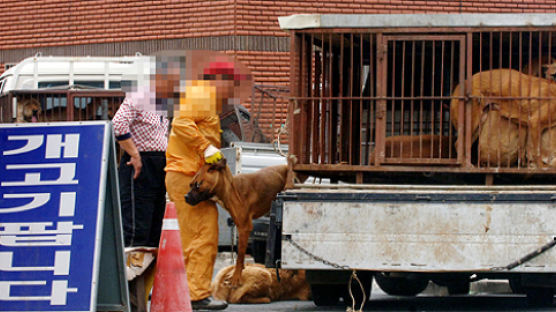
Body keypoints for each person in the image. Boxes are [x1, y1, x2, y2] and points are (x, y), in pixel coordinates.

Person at [164, 52, 252, 310]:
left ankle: (191, 292)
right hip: (187, 176)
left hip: (188, 175)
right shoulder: (200, 95)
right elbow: (181, 124)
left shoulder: (202, 96)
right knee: (202, 235)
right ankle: (196, 294)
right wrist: (205, 147)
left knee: (196, 235)